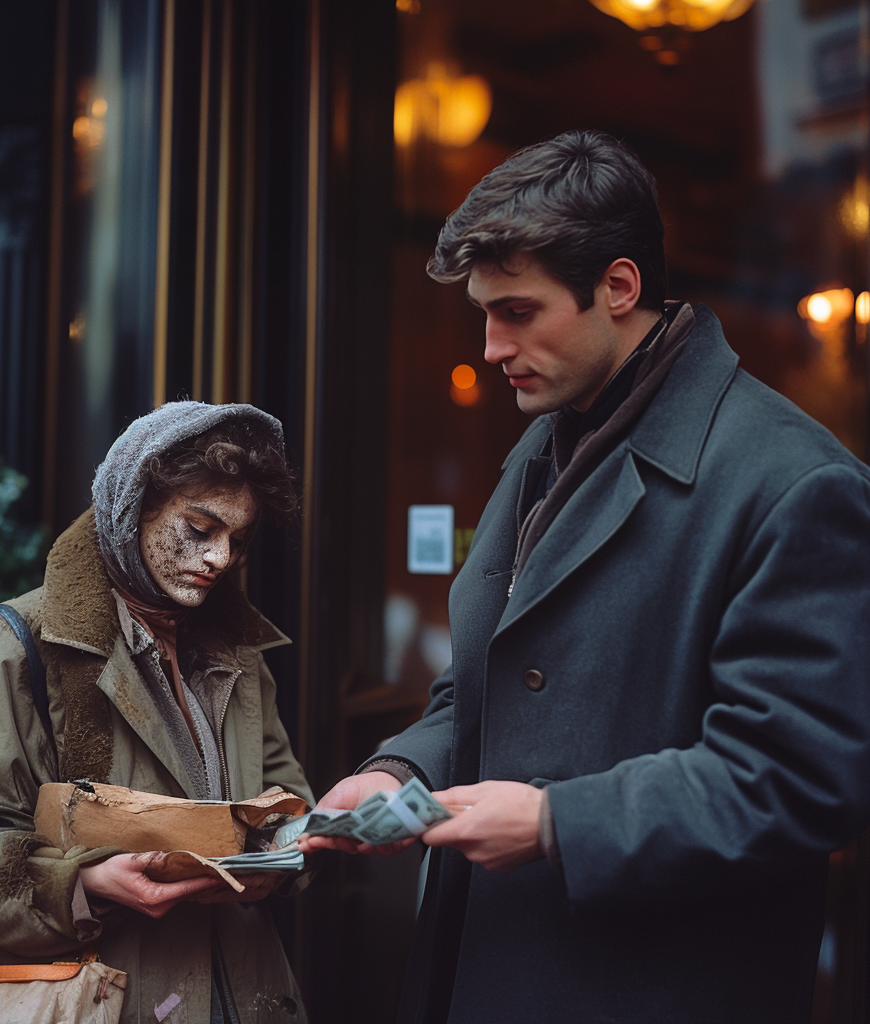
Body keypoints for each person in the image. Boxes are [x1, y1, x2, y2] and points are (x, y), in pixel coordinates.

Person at [301, 130, 870, 1023]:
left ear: (619, 287)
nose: (491, 347)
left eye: (517, 312)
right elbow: (484, 685)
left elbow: (797, 782)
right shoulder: (546, 440)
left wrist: (554, 824)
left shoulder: (800, 484)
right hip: (485, 969)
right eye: (483, 313)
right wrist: (397, 772)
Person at [0, 401, 313, 1024]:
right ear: (132, 508)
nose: (221, 559)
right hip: (99, 999)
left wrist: (280, 856)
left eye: (239, 539)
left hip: (250, 995)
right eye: (200, 529)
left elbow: (288, 799)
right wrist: (83, 886)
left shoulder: (240, 656)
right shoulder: (15, 644)